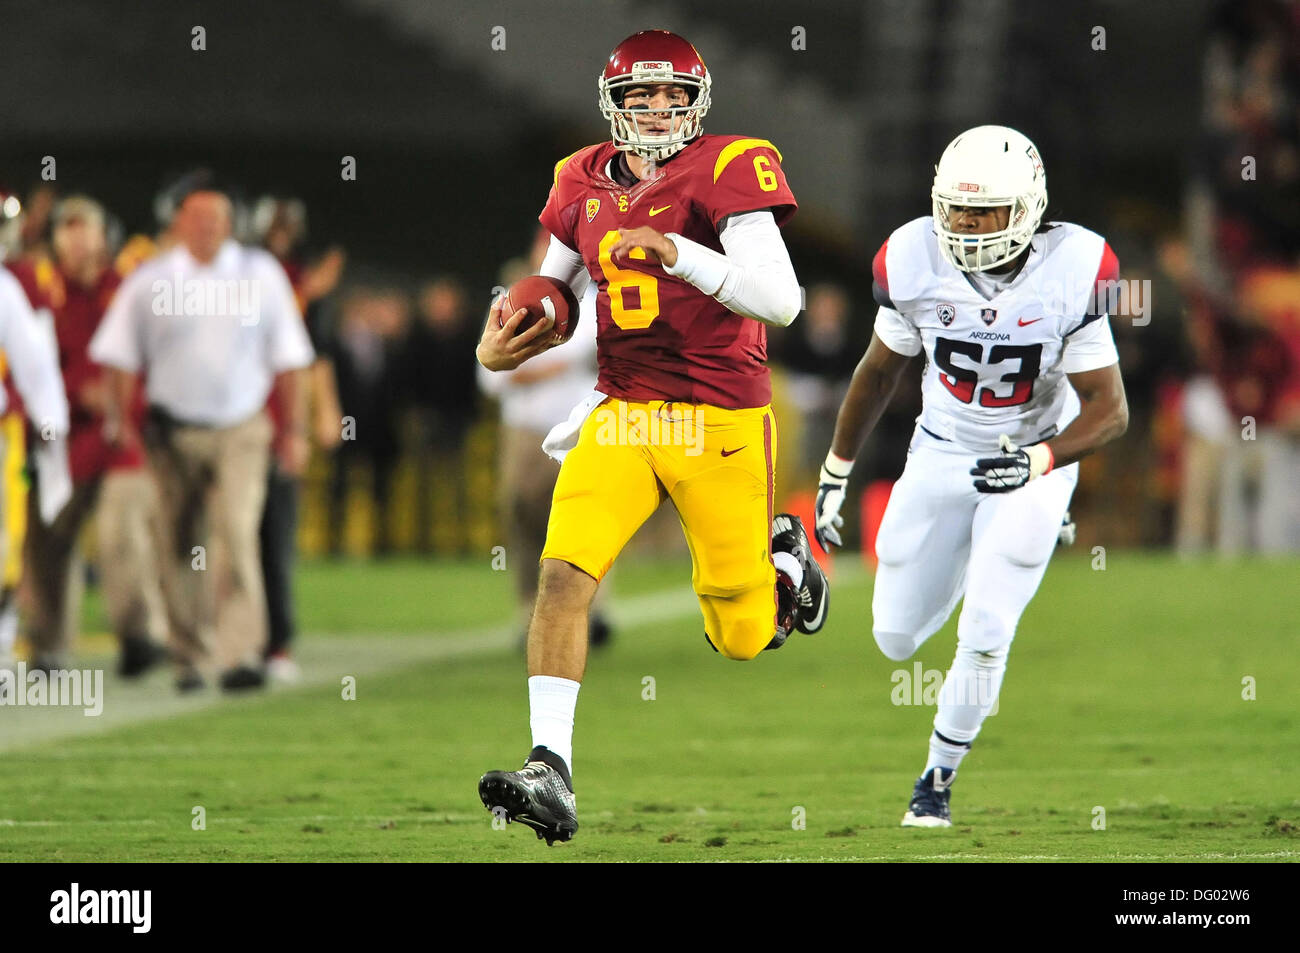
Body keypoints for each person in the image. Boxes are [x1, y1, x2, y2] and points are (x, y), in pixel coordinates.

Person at [475, 29, 829, 846]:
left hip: (720, 416)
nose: (660, 110)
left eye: (675, 96)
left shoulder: (730, 167)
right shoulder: (579, 178)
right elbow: (550, 292)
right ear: (616, 104)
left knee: (740, 635)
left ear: (697, 104)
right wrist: (498, 346)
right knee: (563, 573)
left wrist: (681, 254)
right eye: (643, 96)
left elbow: (782, 300)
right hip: (627, 408)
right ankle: (549, 769)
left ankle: (782, 564)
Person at [814, 126, 1129, 827]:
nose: (963, 225)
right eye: (954, 209)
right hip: (942, 448)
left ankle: (936, 776)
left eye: (981, 212)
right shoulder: (913, 257)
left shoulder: (1074, 266)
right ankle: (996, 540)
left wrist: (1044, 463)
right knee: (894, 637)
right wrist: (837, 470)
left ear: (1027, 209)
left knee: (987, 625)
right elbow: (877, 372)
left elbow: (1111, 410)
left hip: (1034, 453)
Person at [89, 179, 315, 693]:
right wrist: (121, 419)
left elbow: (291, 359)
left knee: (236, 533)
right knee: (177, 541)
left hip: (241, 426)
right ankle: (189, 655)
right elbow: (121, 353)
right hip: (172, 431)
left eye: (215, 218)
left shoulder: (260, 275)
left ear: (230, 224)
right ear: (179, 222)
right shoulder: (152, 278)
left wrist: (294, 431)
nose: (206, 227)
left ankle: (240, 654)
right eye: (196, 217)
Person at [22, 195, 168, 677]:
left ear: (104, 235)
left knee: (118, 533)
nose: (76, 238)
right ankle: (50, 646)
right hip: (60, 439)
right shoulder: (40, 290)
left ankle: (139, 636)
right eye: (67, 228)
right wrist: (72, 393)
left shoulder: (131, 288)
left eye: (85, 228)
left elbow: (158, 358)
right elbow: (26, 366)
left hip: (121, 437)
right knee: (47, 541)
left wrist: (130, 403)